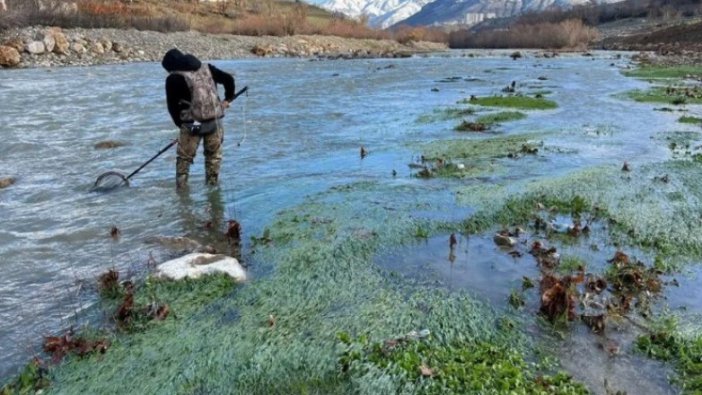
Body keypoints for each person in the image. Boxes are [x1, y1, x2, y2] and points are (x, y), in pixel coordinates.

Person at [161, 48, 235, 188]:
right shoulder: (207, 68)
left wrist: (182, 126)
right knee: (213, 158)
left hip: (194, 125)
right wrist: (227, 100)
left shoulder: (173, 78)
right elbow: (229, 79)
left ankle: (182, 195)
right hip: (215, 122)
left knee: (184, 160)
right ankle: (212, 191)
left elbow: (173, 108)